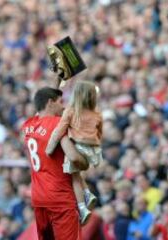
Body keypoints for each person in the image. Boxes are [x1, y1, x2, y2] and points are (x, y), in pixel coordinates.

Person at [21, 78, 89, 239]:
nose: (63, 105)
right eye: (61, 102)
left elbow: (43, 101)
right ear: (51, 102)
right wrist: (85, 162)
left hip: (39, 197)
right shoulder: (57, 123)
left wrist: (58, 77)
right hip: (60, 197)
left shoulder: (28, 125)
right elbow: (73, 157)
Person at [46, 80, 103, 223]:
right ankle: (88, 193)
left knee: (74, 178)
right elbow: (100, 133)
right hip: (93, 150)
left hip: (78, 147)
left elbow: (59, 131)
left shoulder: (70, 111)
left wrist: (50, 148)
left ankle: (82, 207)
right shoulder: (97, 114)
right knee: (77, 173)